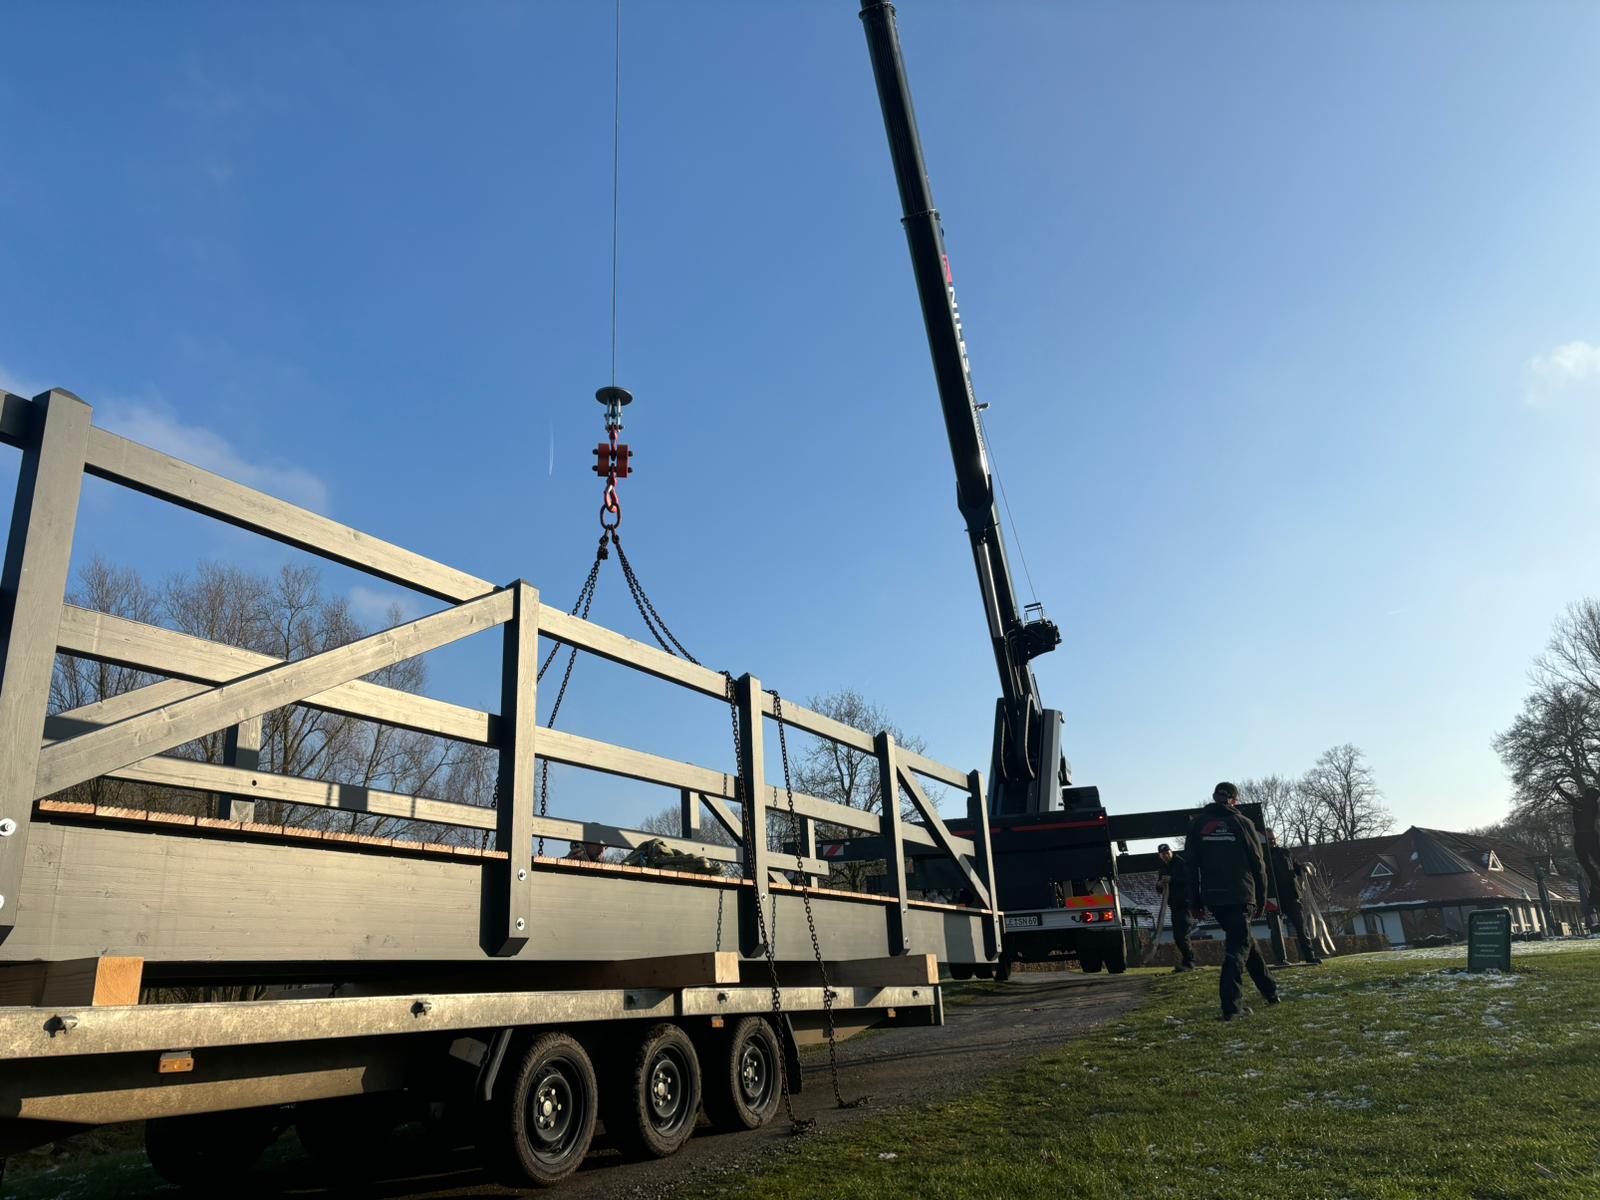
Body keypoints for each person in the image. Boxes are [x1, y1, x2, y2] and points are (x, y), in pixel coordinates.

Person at [1185, 781, 1279, 1020]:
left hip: (1214, 897)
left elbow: (1190, 865)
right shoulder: (1243, 823)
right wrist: (1261, 897)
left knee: (1246, 941)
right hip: (1241, 893)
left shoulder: (1198, 825)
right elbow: (1258, 864)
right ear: (1235, 800)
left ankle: (1271, 992)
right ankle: (1231, 1007)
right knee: (1237, 948)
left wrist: (1195, 901)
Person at [1265, 829, 1324, 965]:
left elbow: (1296, 868)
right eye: (1269, 840)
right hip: (1273, 897)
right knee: (1276, 930)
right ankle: (1280, 959)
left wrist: (1303, 868)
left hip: (1291, 895)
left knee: (1301, 926)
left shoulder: (1285, 852)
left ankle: (1310, 956)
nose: (1272, 841)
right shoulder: (1261, 855)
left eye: (1273, 839)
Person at [1156, 843, 1197, 972]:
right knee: (1177, 936)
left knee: (1182, 934)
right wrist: (1159, 884)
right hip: (1174, 905)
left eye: (1167, 853)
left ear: (1171, 852)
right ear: (1160, 856)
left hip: (1185, 904)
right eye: (1163, 854)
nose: (1166, 856)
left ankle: (1190, 961)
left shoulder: (1180, 863)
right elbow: (1159, 887)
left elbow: (1188, 880)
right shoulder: (1163, 867)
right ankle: (1187, 961)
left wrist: (1172, 879)